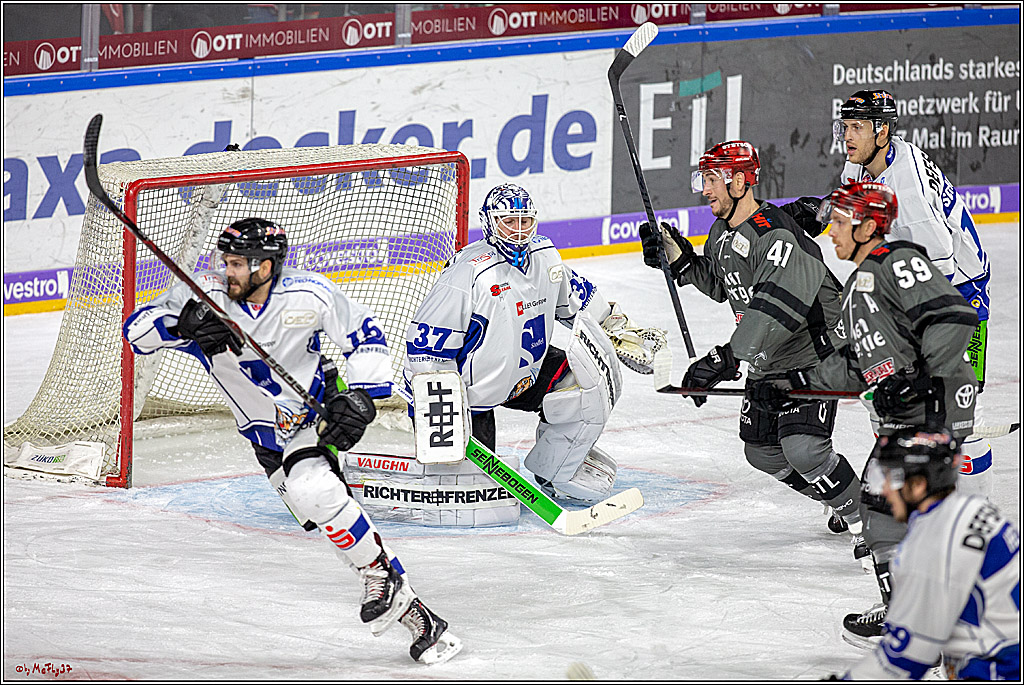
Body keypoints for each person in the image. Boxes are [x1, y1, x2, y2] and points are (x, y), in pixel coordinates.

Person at [123, 217, 462, 665]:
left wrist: (360, 397)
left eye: (241, 263)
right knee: (322, 519)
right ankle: (418, 614)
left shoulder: (308, 294)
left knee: (314, 490)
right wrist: (181, 324)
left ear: (267, 266)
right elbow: (135, 333)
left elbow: (366, 337)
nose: (231, 271)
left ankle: (383, 580)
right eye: (228, 261)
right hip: (263, 435)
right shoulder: (205, 296)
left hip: (311, 416)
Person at [750, 182, 980, 649]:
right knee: (887, 516)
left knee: (892, 514)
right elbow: (858, 363)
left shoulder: (898, 262)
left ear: (870, 226)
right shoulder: (861, 283)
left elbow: (955, 319)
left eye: (841, 221)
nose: (831, 229)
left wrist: (915, 379)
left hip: (929, 410)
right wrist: (797, 382)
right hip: (908, 412)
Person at [638, 140, 865, 557]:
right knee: (762, 451)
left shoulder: (774, 233)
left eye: (712, 179)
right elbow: (725, 286)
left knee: (803, 449)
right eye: (703, 179)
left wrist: (726, 358)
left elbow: (775, 307)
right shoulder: (722, 232)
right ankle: (846, 497)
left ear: (740, 182)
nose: (705, 190)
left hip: (812, 354)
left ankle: (865, 517)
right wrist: (679, 258)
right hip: (767, 355)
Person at [404, 183, 662, 503]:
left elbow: (578, 300)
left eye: (524, 221)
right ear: (490, 223)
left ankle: (554, 469)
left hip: (527, 371)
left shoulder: (545, 257)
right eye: (508, 222)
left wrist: (619, 328)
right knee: (468, 493)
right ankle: (461, 469)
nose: (518, 231)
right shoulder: (468, 274)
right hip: (473, 389)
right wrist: (435, 406)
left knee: (586, 385)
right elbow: (425, 347)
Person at [833, 89, 994, 499]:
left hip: (959, 293)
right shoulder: (863, 167)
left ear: (882, 131)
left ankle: (976, 508)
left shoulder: (908, 187)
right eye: (845, 127)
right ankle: (901, 492)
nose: (847, 136)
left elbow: (939, 263)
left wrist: (918, 332)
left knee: (954, 413)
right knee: (885, 395)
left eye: (856, 127)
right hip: (907, 286)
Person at [833, 426, 1019, 680]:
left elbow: (910, 655)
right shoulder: (964, 511)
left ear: (919, 485)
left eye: (891, 479)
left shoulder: (940, 544)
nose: (882, 491)